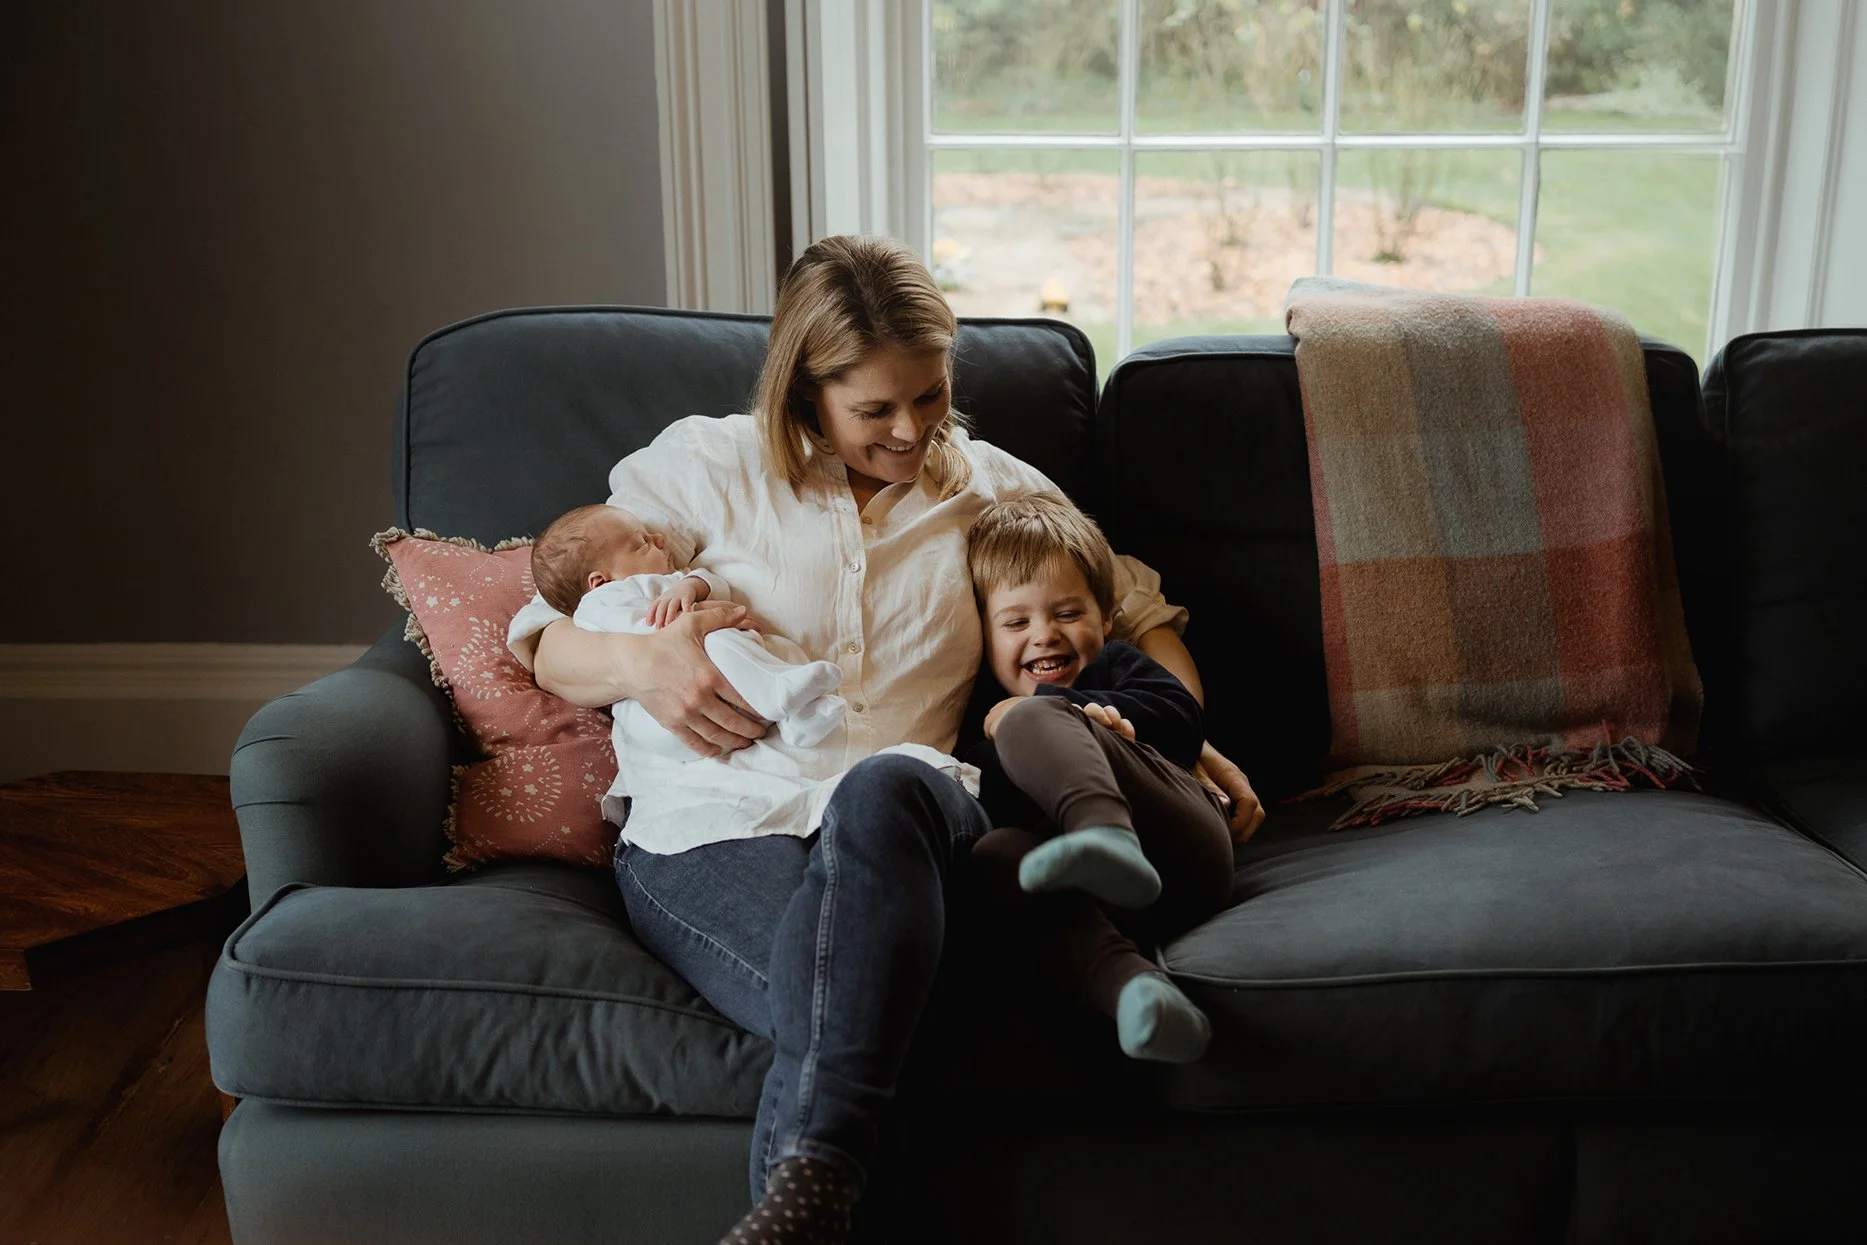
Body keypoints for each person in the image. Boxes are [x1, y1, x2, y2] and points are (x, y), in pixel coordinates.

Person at [506, 235, 1264, 1245]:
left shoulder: (993, 488)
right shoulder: (699, 467)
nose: (910, 431)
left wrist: (1164, 736)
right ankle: (811, 1194)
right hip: (710, 824)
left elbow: (1134, 611)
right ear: (803, 393)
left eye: (931, 396)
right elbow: (546, 641)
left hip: (911, 817)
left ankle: (806, 1197)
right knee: (862, 995)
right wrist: (649, 666)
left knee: (883, 790)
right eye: (875, 410)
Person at [529, 500, 976, 852]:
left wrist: (692, 589)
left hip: (799, 752)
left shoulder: (665, 579)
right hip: (684, 746)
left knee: (757, 644)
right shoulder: (611, 600)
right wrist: (651, 655)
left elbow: (707, 582)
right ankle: (785, 696)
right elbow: (548, 652)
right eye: (641, 543)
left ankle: (798, 713)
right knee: (727, 643)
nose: (660, 540)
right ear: (598, 581)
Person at [963, 493, 1235, 1065]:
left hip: (1181, 851)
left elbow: (1184, 720)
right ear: (983, 636)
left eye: (1067, 614)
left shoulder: (1117, 668)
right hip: (1100, 905)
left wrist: (1084, 713)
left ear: (1106, 619)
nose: (1044, 635)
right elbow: (987, 796)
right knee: (994, 855)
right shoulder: (982, 716)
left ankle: (1108, 837)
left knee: (1034, 712)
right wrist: (1012, 730)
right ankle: (1138, 994)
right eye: (1016, 622)